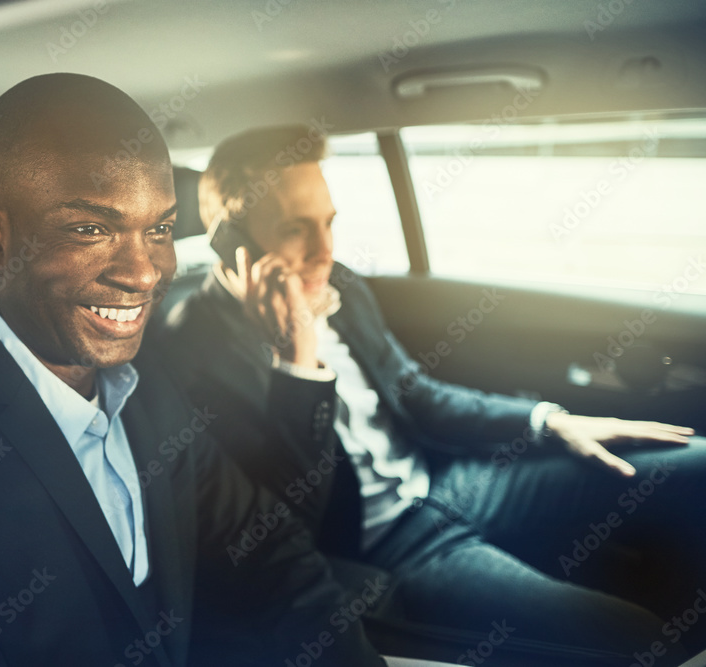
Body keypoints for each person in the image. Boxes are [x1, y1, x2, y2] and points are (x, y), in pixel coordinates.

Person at [0, 77, 387, 666]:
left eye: (161, 229)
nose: (143, 274)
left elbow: (270, 557)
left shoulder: (148, 392)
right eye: (92, 228)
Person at [159, 124, 706, 665]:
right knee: (638, 641)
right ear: (231, 241)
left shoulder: (339, 284)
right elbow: (287, 521)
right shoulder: (190, 349)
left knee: (695, 464)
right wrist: (297, 363)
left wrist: (548, 422)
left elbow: (415, 392)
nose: (327, 250)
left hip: (451, 482)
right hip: (389, 545)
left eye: (329, 222)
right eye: (298, 230)